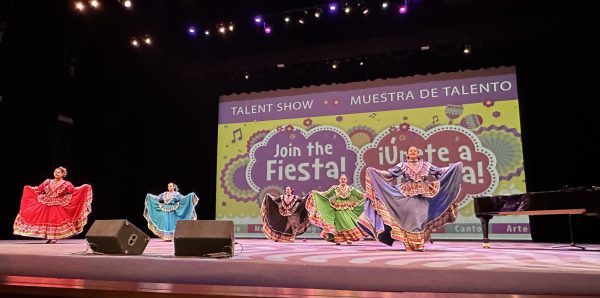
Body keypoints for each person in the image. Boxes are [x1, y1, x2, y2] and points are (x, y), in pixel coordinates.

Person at [358, 146, 463, 251]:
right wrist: (374, 171)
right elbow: (390, 174)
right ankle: (413, 243)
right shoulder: (402, 165)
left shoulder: (426, 165)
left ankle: (418, 243)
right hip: (408, 193)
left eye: (415, 151)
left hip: (424, 193)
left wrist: (454, 168)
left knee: (421, 217)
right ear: (407, 154)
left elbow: (439, 172)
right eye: (410, 151)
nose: (413, 152)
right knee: (413, 218)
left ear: (418, 153)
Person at [13, 167, 93, 243]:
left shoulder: (66, 184)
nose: (56, 173)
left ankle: (54, 237)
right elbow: (39, 189)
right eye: (55, 172)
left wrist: (83, 188)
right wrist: (30, 189)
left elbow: (73, 191)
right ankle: (48, 236)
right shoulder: (48, 181)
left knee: (55, 220)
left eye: (58, 172)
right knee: (45, 219)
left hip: (58, 203)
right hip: (46, 201)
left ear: (63, 174)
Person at [306, 174, 368, 245]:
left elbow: (360, 195)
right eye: (342, 179)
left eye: (344, 179)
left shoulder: (351, 189)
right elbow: (326, 194)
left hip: (347, 209)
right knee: (338, 225)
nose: (343, 180)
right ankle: (337, 239)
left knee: (348, 223)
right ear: (339, 180)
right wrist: (317, 193)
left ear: (346, 180)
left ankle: (348, 238)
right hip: (336, 209)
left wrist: (367, 195)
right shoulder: (334, 188)